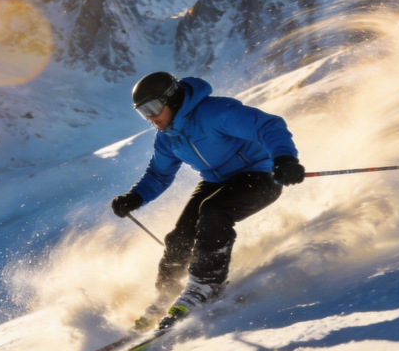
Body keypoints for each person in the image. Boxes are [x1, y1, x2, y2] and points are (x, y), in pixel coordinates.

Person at [111, 72, 305, 330]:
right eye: (142, 111)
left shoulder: (216, 112)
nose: (149, 116)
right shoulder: (168, 137)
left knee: (213, 211)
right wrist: (135, 197)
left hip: (261, 174)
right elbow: (159, 174)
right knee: (180, 236)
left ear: (173, 99)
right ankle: (167, 295)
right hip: (216, 180)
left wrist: (284, 159)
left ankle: (206, 285)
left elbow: (267, 126)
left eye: (153, 107)